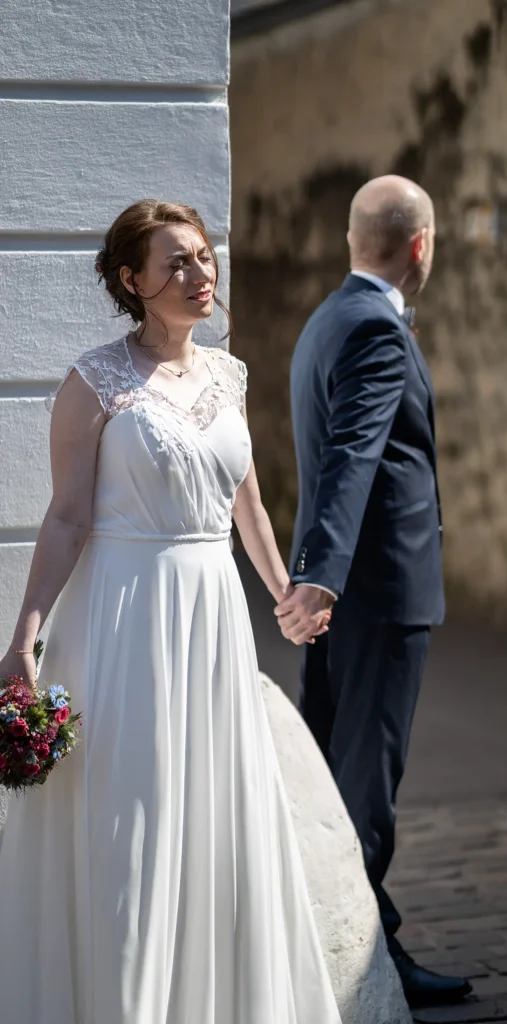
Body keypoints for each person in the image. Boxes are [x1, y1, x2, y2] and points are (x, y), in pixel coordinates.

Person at [0, 200, 340, 1024]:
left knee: (215, 819)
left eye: (203, 257)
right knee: (132, 824)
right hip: (125, 617)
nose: (200, 275)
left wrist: (282, 592)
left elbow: (247, 507)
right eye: (177, 262)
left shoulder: (229, 375)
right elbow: (69, 515)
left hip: (213, 618)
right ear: (132, 281)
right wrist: (23, 641)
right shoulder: (93, 382)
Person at [276, 175, 473, 1009]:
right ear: (419, 245)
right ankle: (359, 966)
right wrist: (319, 578)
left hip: (344, 593)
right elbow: (352, 458)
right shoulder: (376, 332)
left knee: (333, 774)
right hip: (376, 595)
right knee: (363, 789)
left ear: (355, 241)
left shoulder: (328, 319)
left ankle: (361, 937)